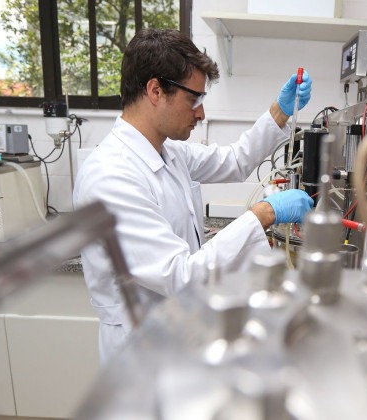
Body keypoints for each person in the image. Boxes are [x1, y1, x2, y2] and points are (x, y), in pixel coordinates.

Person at [73, 28, 315, 363]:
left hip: (175, 332)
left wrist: (280, 111)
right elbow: (179, 275)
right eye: (194, 99)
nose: (200, 114)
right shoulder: (111, 176)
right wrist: (263, 214)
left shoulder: (168, 152)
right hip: (141, 351)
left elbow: (234, 161)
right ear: (155, 90)